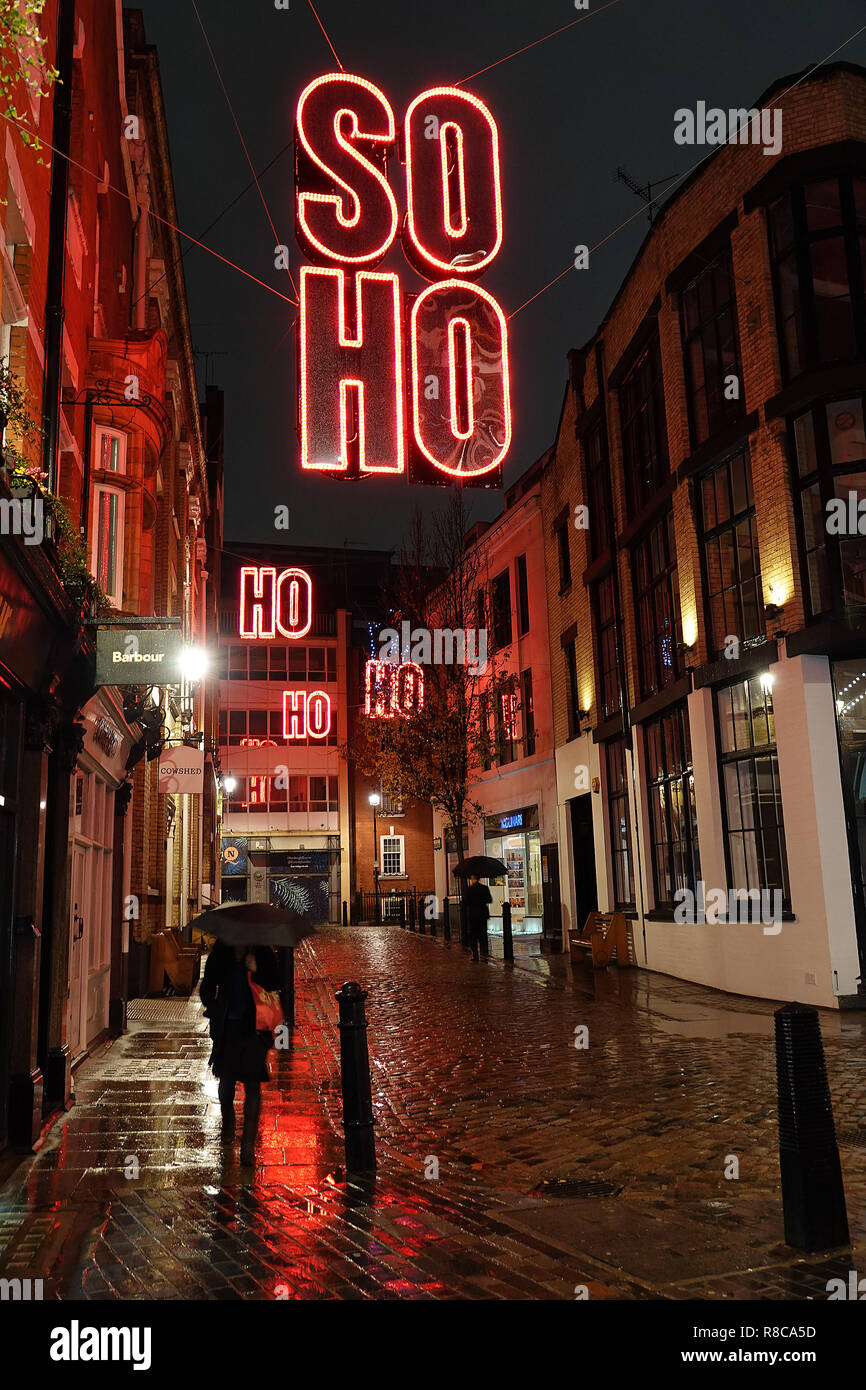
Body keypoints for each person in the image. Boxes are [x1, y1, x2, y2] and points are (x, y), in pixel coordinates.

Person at [200, 940, 280, 1166]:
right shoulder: (221, 951)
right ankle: (228, 1124)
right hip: (228, 1030)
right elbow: (206, 987)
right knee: (226, 1083)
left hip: (254, 1029)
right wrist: (216, 1008)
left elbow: (277, 983)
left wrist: (257, 971)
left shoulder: (262, 951)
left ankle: (247, 1146)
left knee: (253, 1086)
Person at [464, 874, 492, 961]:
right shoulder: (484, 888)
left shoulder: (469, 889)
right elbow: (489, 900)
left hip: (473, 915)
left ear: (473, 878)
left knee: (473, 936)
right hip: (482, 915)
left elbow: (466, 902)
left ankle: (475, 956)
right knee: (483, 936)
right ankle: (484, 955)